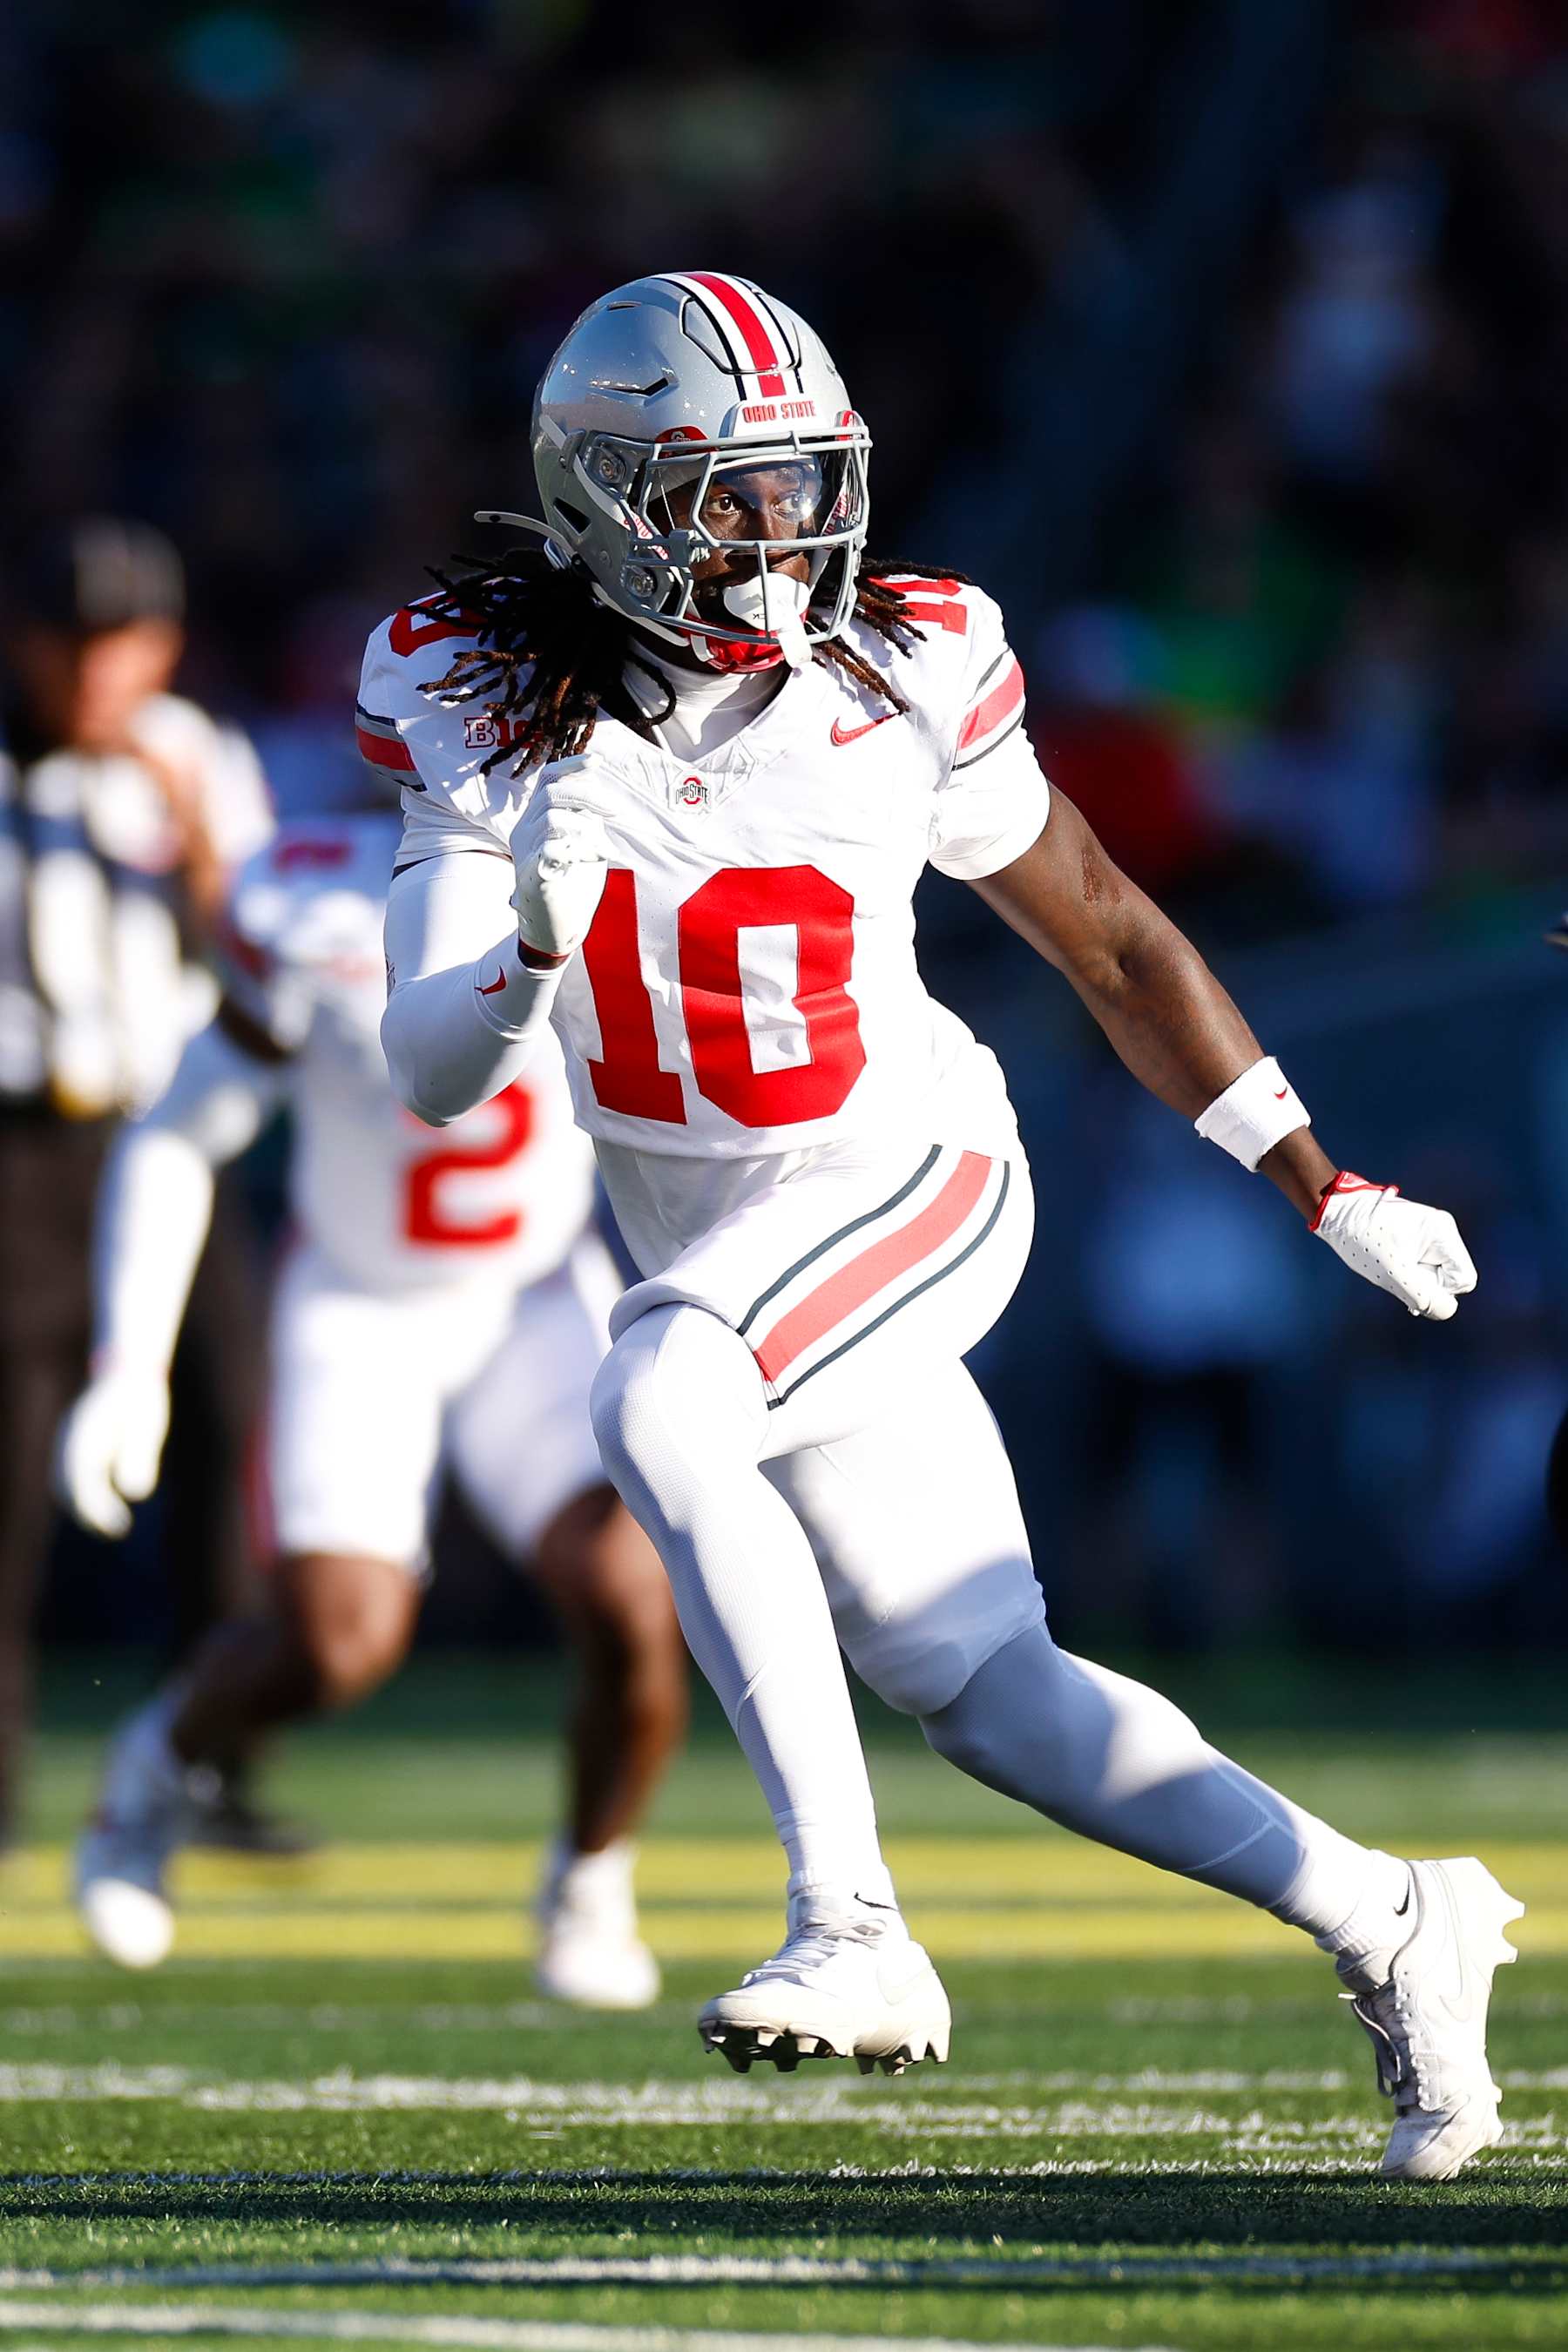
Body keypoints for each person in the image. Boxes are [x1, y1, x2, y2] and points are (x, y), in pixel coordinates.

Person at [370, 273, 1520, 2178]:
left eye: (803, 484)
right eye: (728, 495)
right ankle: (1399, 1916)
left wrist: (1324, 1182)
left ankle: (855, 1925)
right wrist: (522, 957)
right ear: (601, 503)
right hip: (722, 1231)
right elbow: (429, 1070)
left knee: (661, 1396)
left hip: (908, 1168)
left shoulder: (904, 669)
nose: (783, 533)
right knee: (987, 1693)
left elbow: (1112, 938)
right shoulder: (477, 693)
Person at [58, 790, 687, 2006]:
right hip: (361, 1300)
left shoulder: (627, 840)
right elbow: (181, 1131)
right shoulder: (307, 897)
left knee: (632, 1588)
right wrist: (128, 1366)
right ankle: (154, 1769)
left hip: (533, 1293)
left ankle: (590, 1882)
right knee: (337, 1646)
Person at [0, 517, 278, 1847]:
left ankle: (207, 1765)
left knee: (232, 1424)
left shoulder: (196, 757)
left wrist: (192, 836)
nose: (99, 672)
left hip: (169, 1139)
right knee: (10, 1460)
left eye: (125, 644)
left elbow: (265, 957)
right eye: (75, 643)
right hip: (20, 1152)